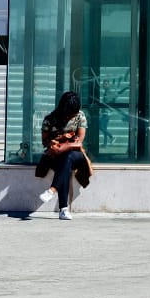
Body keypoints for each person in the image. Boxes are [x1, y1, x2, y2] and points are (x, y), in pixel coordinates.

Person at [36, 91, 93, 220]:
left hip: (77, 156)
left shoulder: (80, 116)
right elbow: (44, 142)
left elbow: (78, 142)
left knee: (68, 157)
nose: (71, 118)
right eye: (69, 115)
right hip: (57, 156)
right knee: (65, 164)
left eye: (73, 115)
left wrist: (63, 147)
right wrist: (52, 144)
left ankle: (52, 190)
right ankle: (63, 210)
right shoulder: (50, 119)